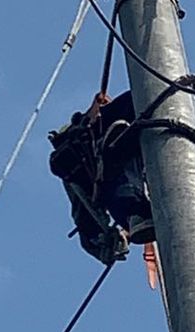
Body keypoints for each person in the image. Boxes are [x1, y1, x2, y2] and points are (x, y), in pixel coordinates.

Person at [48, 92, 154, 264]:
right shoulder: (83, 145)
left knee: (149, 97)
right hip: (124, 197)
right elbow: (85, 216)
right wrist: (108, 242)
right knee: (146, 100)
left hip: (127, 199)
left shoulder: (104, 123)